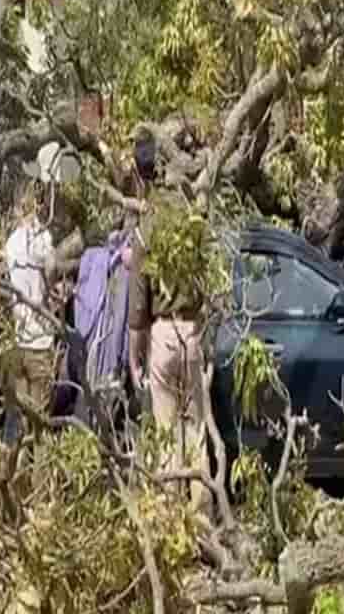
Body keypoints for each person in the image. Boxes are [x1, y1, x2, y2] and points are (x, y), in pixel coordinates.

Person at [125, 130, 211, 514]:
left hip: (162, 333)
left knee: (165, 433)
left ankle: (173, 523)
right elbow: (208, 279)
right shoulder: (191, 217)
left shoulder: (147, 226)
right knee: (195, 431)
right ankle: (203, 518)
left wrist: (134, 356)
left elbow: (138, 306)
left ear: (142, 177)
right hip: (193, 329)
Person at [2, 180, 59, 442]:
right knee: (40, 430)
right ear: (38, 205)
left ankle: (16, 480)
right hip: (40, 342)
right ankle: (40, 483)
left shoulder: (10, 244)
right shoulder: (43, 239)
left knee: (20, 427)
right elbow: (52, 270)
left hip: (17, 341)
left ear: (16, 209)